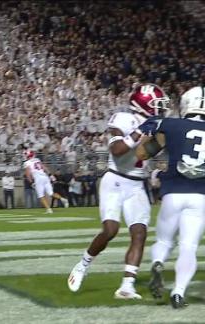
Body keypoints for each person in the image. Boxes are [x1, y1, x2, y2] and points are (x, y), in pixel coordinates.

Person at [68, 83, 170, 299]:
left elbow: (145, 154)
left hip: (136, 184)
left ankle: (127, 286)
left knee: (139, 234)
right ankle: (83, 264)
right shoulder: (123, 119)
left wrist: (157, 139)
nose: (160, 109)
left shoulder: (158, 128)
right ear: (142, 105)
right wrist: (140, 132)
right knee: (110, 231)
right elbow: (117, 151)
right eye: (156, 105)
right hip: (114, 181)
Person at [136, 86, 205, 308]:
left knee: (165, 241)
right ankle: (178, 292)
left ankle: (158, 262)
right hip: (201, 197)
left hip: (173, 192)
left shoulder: (171, 124)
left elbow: (142, 154)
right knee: (188, 246)